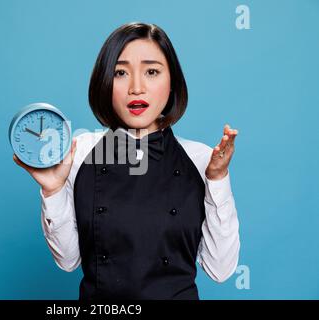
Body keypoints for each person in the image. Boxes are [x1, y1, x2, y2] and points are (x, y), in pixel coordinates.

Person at [13, 22, 240, 300]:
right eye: (120, 72)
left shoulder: (201, 159)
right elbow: (68, 260)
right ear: (105, 83)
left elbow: (220, 269)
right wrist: (53, 191)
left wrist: (218, 179)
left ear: (172, 84)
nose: (136, 87)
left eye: (152, 71)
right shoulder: (79, 152)